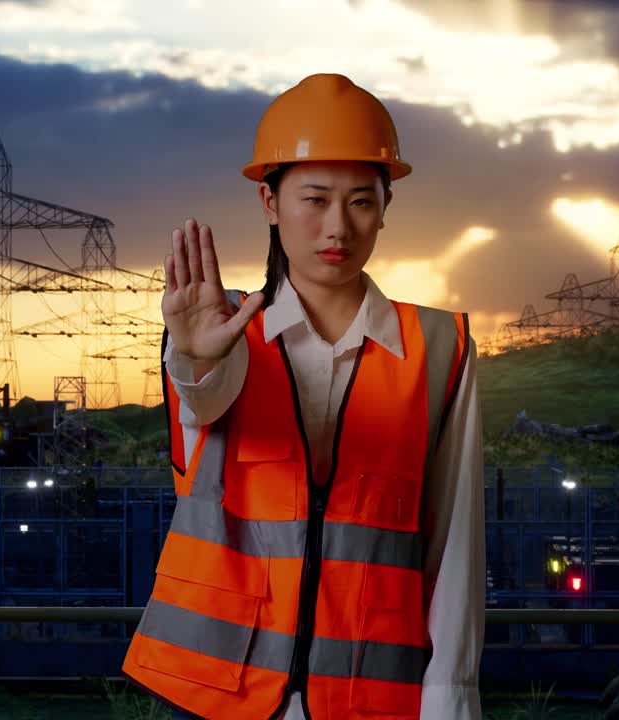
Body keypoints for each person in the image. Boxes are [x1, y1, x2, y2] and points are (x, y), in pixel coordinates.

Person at [122, 73, 485, 719]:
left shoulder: (439, 345)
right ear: (270, 201)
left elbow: (454, 539)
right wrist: (197, 356)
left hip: (369, 691)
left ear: (386, 205)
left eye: (361, 202)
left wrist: (452, 698)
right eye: (314, 199)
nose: (337, 227)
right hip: (216, 690)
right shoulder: (218, 332)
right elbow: (200, 406)